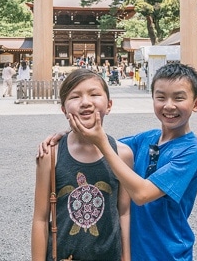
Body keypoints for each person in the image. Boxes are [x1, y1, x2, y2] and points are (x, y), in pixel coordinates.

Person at [40, 63, 197, 260]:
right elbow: (101, 146)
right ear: (153, 99)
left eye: (179, 98)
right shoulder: (146, 139)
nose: (169, 105)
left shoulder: (192, 152)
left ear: (196, 103)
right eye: (161, 97)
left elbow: (142, 194)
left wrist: (100, 141)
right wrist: (70, 134)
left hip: (167, 251)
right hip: (132, 250)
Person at [31, 68, 133, 261]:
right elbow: (40, 218)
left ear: (109, 105)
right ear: (63, 109)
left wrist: (126, 257)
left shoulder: (124, 154)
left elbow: (124, 212)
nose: (86, 102)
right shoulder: (51, 155)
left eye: (94, 94)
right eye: (75, 96)